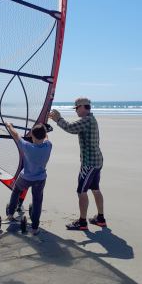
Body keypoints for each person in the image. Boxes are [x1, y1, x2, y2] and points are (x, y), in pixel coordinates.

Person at [49, 97, 106, 230]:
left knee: (81, 191)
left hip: (90, 163)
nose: (76, 111)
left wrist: (58, 119)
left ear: (82, 107)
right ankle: (100, 218)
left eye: (76, 108)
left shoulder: (86, 120)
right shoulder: (91, 119)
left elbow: (70, 128)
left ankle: (82, 222)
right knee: (95, 189)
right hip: (97, 161)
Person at [5, 123, 52, 235]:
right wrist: (45, 130)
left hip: (26, 177)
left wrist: (9, 125)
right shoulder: (48, 145)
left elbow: (16, 135)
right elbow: (46, 138)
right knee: (37, 201)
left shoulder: (27, 146)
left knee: (16, 191)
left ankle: (11, 214)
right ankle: (35, 228)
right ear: (45, 134)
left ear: (32, 136)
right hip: (40, 178)